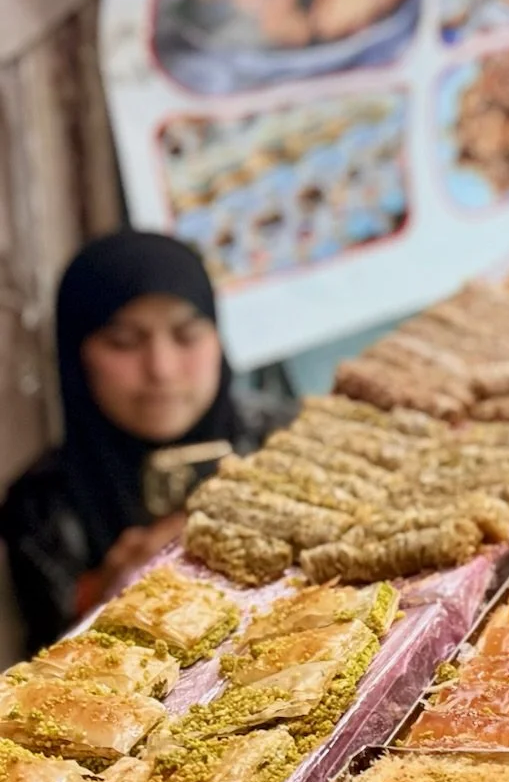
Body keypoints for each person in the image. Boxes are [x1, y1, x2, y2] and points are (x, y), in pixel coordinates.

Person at [1, 231, 293, 653]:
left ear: (218, 338)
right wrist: (106, 600)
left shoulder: (284, 440)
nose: (162, 368)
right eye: (124, 342)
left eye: (187, 335)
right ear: (76, 355)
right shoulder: (42, 507)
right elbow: (36, 683)